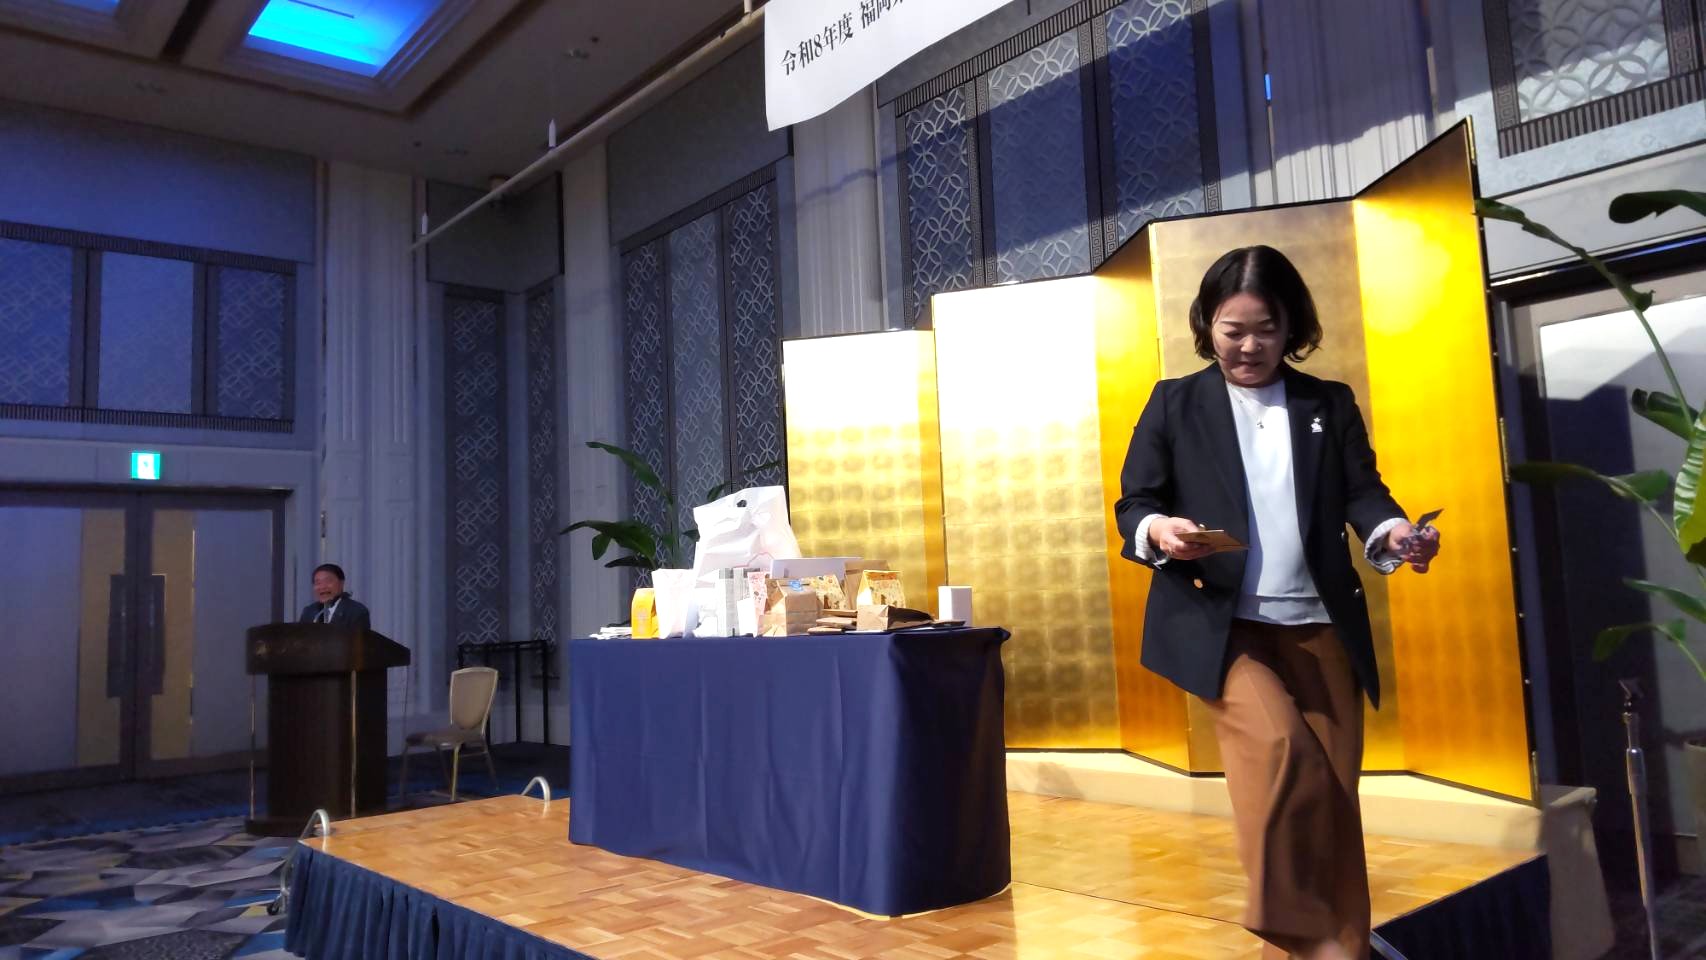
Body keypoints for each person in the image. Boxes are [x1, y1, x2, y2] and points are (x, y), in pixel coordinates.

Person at [1114, 246, 1440, 960]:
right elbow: (1134, 502)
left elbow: (1363, 493)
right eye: (1233, 330)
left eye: (1266, 329)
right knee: (1284, 751)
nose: (1249, 346)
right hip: (1226, 626)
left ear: (1292, 326)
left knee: (1336, 800)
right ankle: (1289, 925)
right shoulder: (1175, 402)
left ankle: (1336, 950)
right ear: (1207, 325)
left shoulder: (1328, 402)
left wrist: (1395, 532)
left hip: (1322, 625)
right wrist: (1160, 530)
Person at [297, 563, 371, 633]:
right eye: (318, 583)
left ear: (341, 583)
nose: (322, 587)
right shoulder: (309, 611)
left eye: (328, 581)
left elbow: (358, 640)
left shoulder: (356, 611)